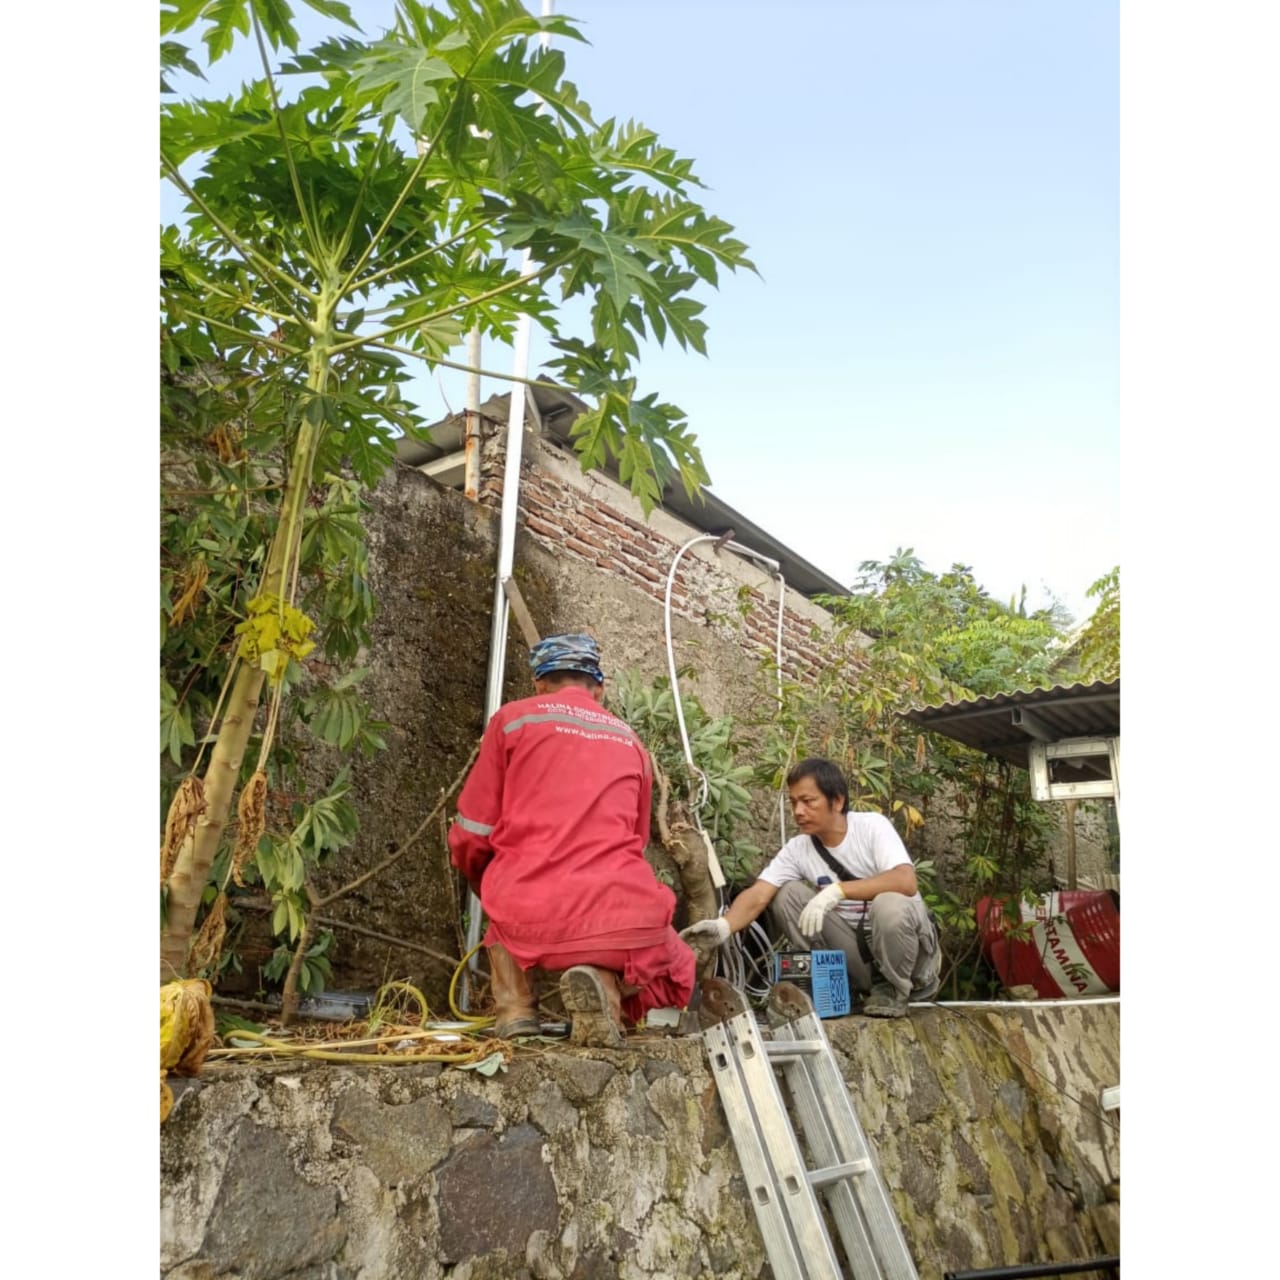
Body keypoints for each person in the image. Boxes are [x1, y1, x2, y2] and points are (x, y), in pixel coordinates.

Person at [448, 633, 697, 1046]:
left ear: (540, 683)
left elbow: (472, 833)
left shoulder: (513, 720)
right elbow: (634, 842)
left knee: (506, 896)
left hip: (531, 909)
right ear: (598, 687)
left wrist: (484, 882)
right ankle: (601, 995)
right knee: (610, 927)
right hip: (629, 916)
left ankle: (515, 1013)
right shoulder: (631, 741)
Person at [681, 757, 940, 1017]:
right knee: (787, 895)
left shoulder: (872, 827)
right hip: (861, 958)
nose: (798, 811)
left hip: (910, 960)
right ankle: (840, 984)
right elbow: (760, 894)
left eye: (808, 801)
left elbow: (905, 881)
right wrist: (723, 926)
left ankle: (895, 990)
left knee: (890, 903)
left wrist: (837, 891)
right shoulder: (799, 848)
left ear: (837, 801)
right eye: (793, 802)